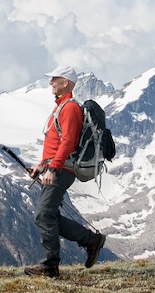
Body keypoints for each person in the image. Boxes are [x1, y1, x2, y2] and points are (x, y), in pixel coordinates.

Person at [23, 70, 108, 278]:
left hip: (61, 170)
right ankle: (91, 240)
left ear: (66, 82)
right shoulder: (61, 107)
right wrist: (41, 167)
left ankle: (50, 266)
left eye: (55, 79)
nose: (51, 82)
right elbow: (55, 145)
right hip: (56, 168)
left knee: (44, 215)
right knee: (49, 215)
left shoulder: (69, 108)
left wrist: (53, 169)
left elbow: (68, 142)